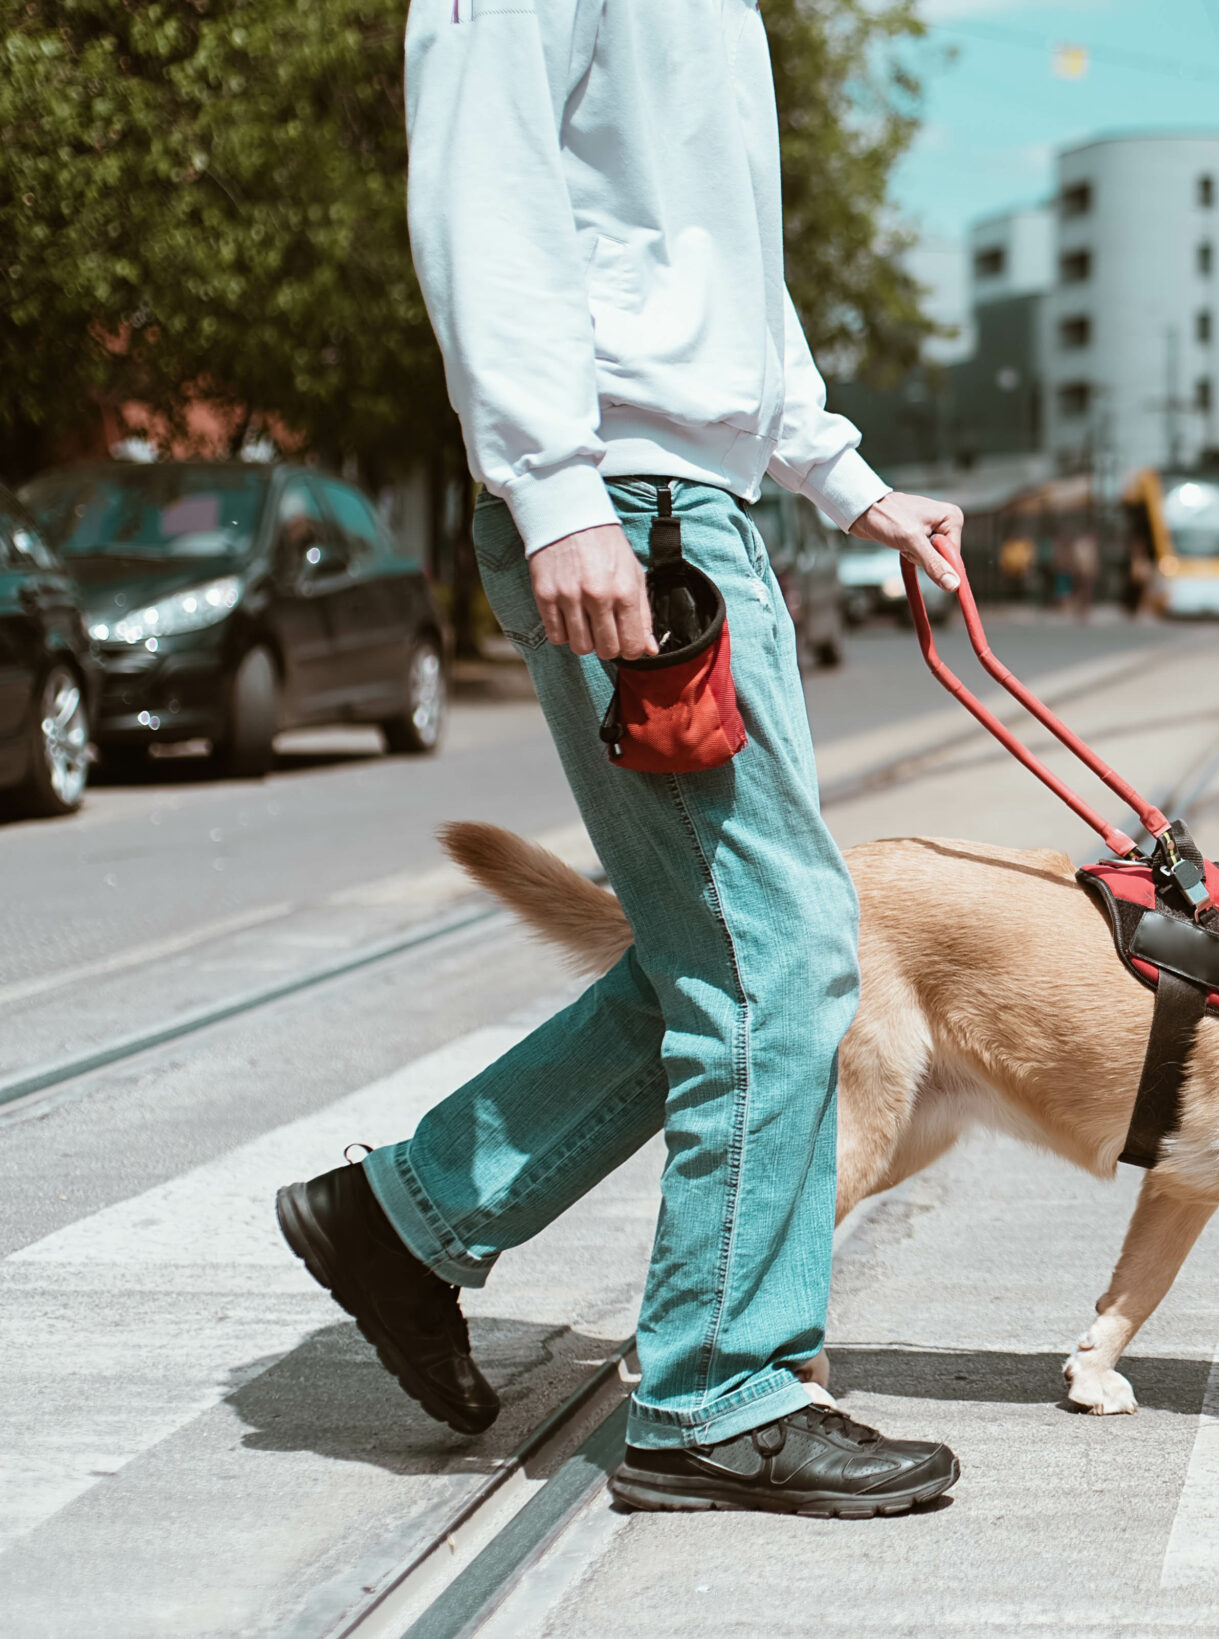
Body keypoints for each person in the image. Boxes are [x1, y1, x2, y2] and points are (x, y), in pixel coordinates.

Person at [272, 0, 966, 1521]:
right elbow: (485, 186)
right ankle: (718, 1391)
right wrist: (553, 480)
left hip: (692, 500)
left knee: (716, 948)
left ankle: (405, 1218)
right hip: (625, 503)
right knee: (778, 948)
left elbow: (716, 263)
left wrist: (845, 480)